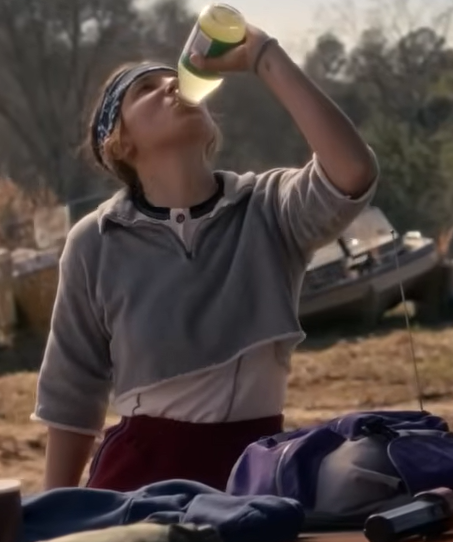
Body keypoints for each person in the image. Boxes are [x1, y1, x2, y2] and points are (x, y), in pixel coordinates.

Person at [32, 23, 379, 493]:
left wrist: (264, 57)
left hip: (253, 476)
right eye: (145, 89)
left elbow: (352, 171)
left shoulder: (268, 208)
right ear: (120, 142)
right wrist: (54, 513)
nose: (172, 84)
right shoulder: (96, 240)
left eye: (172, 77)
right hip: (139, 484)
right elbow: (72, 395)